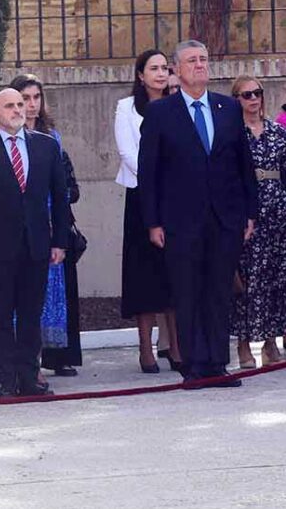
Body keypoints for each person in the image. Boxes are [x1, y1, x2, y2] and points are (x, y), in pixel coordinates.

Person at [138, 40, 258, 386]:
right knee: (188, 291)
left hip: (225, 217)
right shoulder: (161, 113)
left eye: (204, 59)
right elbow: (149, 171)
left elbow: (243, 164)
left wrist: (249, 212)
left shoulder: (227, 108)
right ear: (176, 70)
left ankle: (217, 363)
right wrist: (153, 222)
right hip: (180, 220)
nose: (200, 65)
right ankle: (193, 365)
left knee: (219, 291)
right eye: (191, 60)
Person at [0, 88, 69, 397]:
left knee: (31, 315)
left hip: (37, 245)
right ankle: (7, 381)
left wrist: (59, 241)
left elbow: (59, 197)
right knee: (1, 316)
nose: (18, 109)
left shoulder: (46, 147)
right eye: (9, 106)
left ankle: (29, 377)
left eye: (20, 104)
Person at [9, 74, 82, 379]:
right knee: (24, 297)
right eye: (25, 98)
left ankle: (53, 356)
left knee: (53, 294)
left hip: (52, 226)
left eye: (36, 97)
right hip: (22, 227)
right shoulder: (7, 138)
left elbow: (63, 185)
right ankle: (27, 362)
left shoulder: (52, 137)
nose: (31, 104)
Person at [115, 49, 181, 373]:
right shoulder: (126, 107)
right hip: (141, 196)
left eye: (164, 68)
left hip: (175, 199)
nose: (160, 73)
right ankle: (145, 348)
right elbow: (128, 153)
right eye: (153, 68)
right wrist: (157, 179)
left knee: (173, 272)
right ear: (141, 75)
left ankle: (176, 346)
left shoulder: (178, 105)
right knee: (143, 275)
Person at [230, 76, 286, 368]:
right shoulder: (232, 134)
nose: (253, 99)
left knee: (276, 278)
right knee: (247, 280)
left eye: (257, 93)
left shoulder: (278, 132)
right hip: (247, 215)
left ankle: (270, 343)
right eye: (246, 94)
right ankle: (243, 344)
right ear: (236, 99)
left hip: (278, 213)